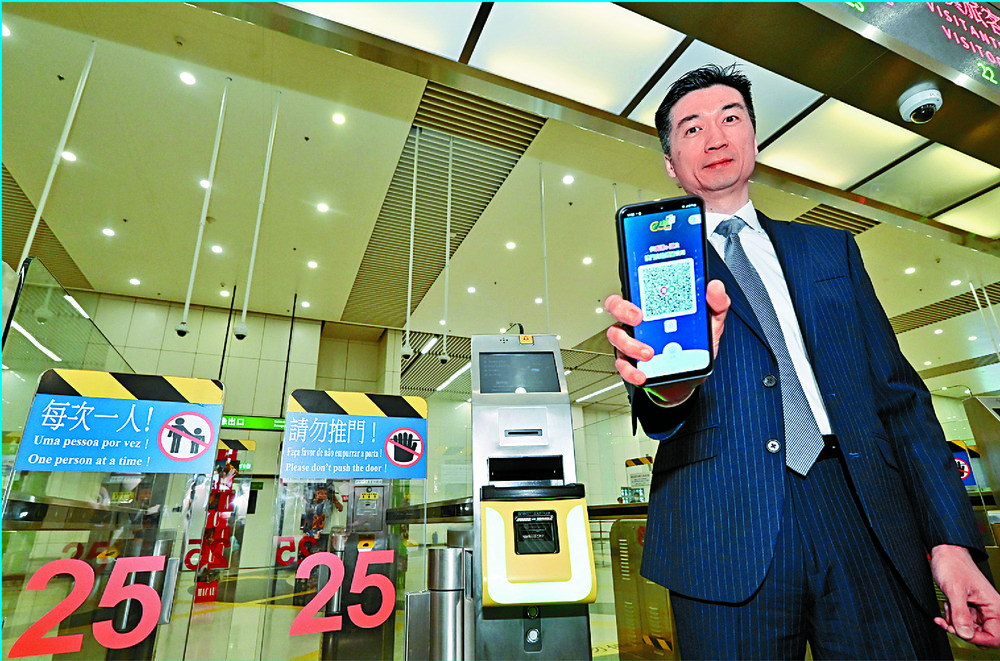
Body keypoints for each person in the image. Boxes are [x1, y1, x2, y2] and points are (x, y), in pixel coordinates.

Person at [605, 64, 999, 659]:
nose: (715, 138)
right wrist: (671, 387)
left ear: (754, 137)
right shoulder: (660, 260)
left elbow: (901, 399)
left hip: (863, 508)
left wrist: (951, 541)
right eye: (692, 128)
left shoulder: (831, 249)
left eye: (731, 118)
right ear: (670, 163)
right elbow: (658, 405)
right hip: (722, 524)